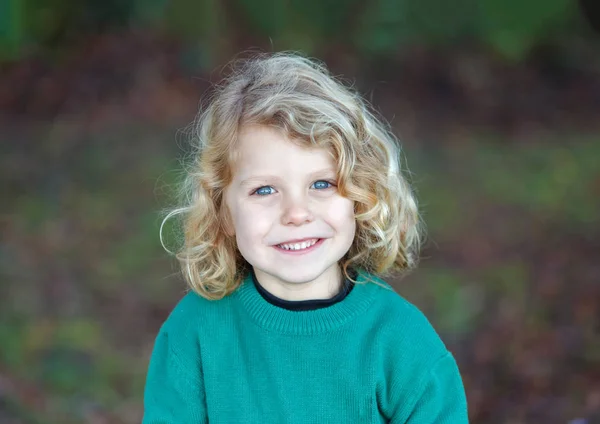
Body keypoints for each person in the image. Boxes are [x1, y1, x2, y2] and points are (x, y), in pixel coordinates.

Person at [143, 52, 468, 423]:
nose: (296, 213)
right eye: (265, 190)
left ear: (360, 197)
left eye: (321, 184)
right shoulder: (194, 335)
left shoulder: (403, 343)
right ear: (224, 212)